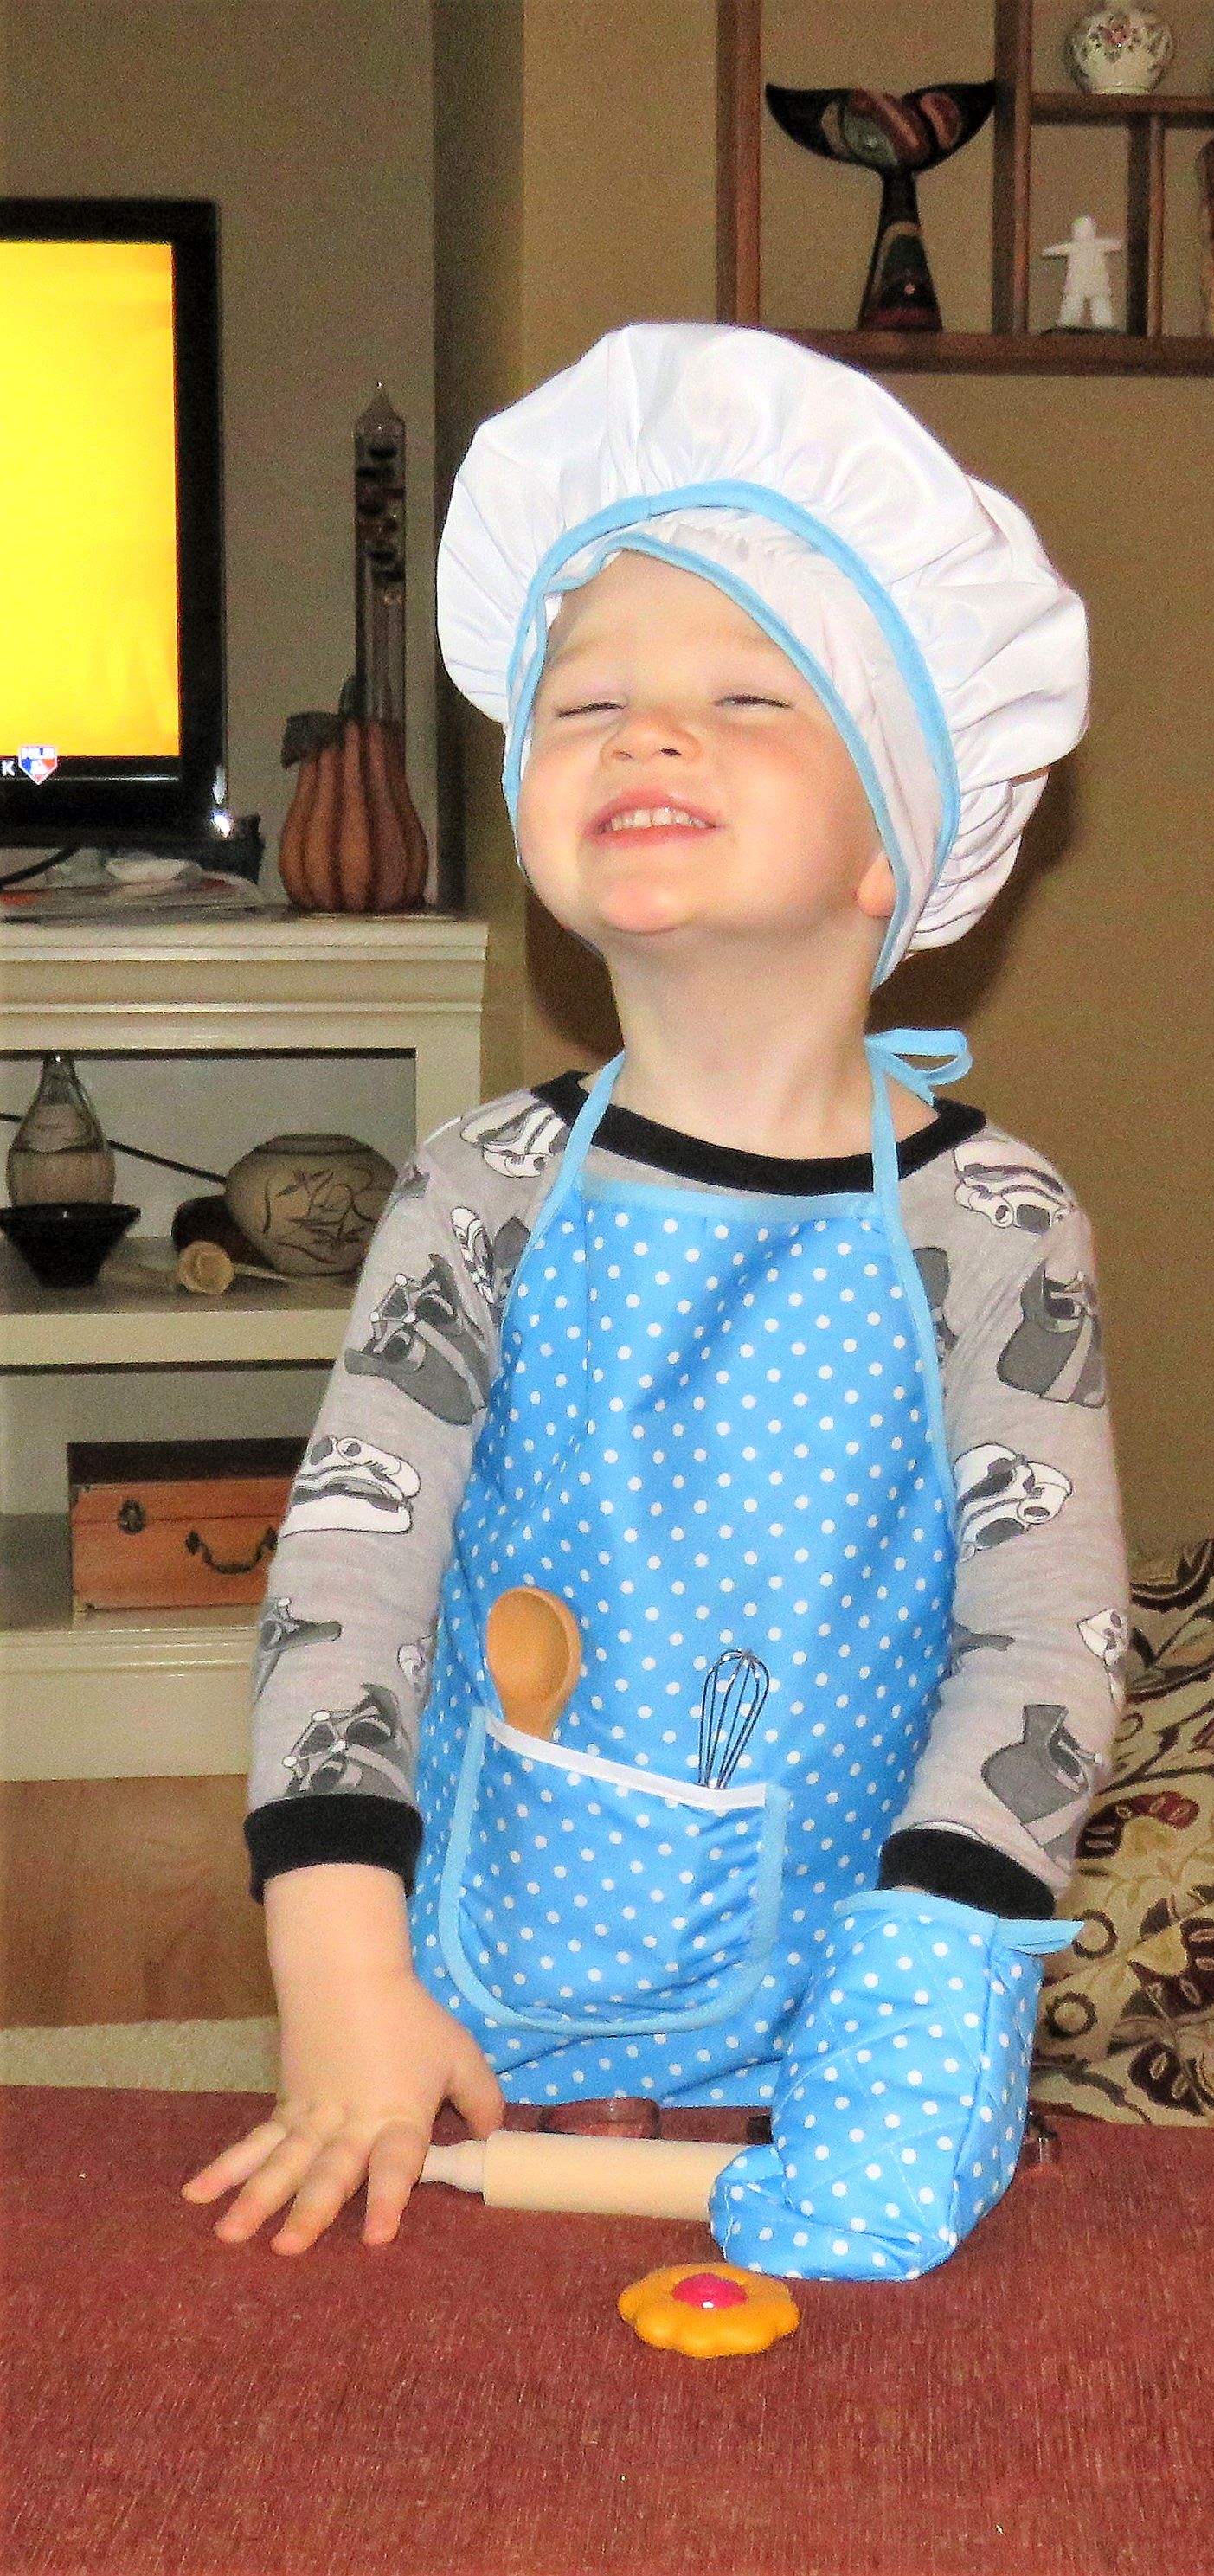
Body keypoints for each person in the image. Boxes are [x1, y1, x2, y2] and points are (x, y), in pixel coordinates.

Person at [183, 322, 1129, 2282]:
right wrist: (340, 1970)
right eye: (589, 697)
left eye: (749, 694)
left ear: (894, 844)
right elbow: (348, 1580)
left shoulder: (998, 1225)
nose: (645, 733)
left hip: (841, 2062)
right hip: (466, 2052)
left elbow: (1045, 1639)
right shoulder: (478, 1195)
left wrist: (935, 1986)